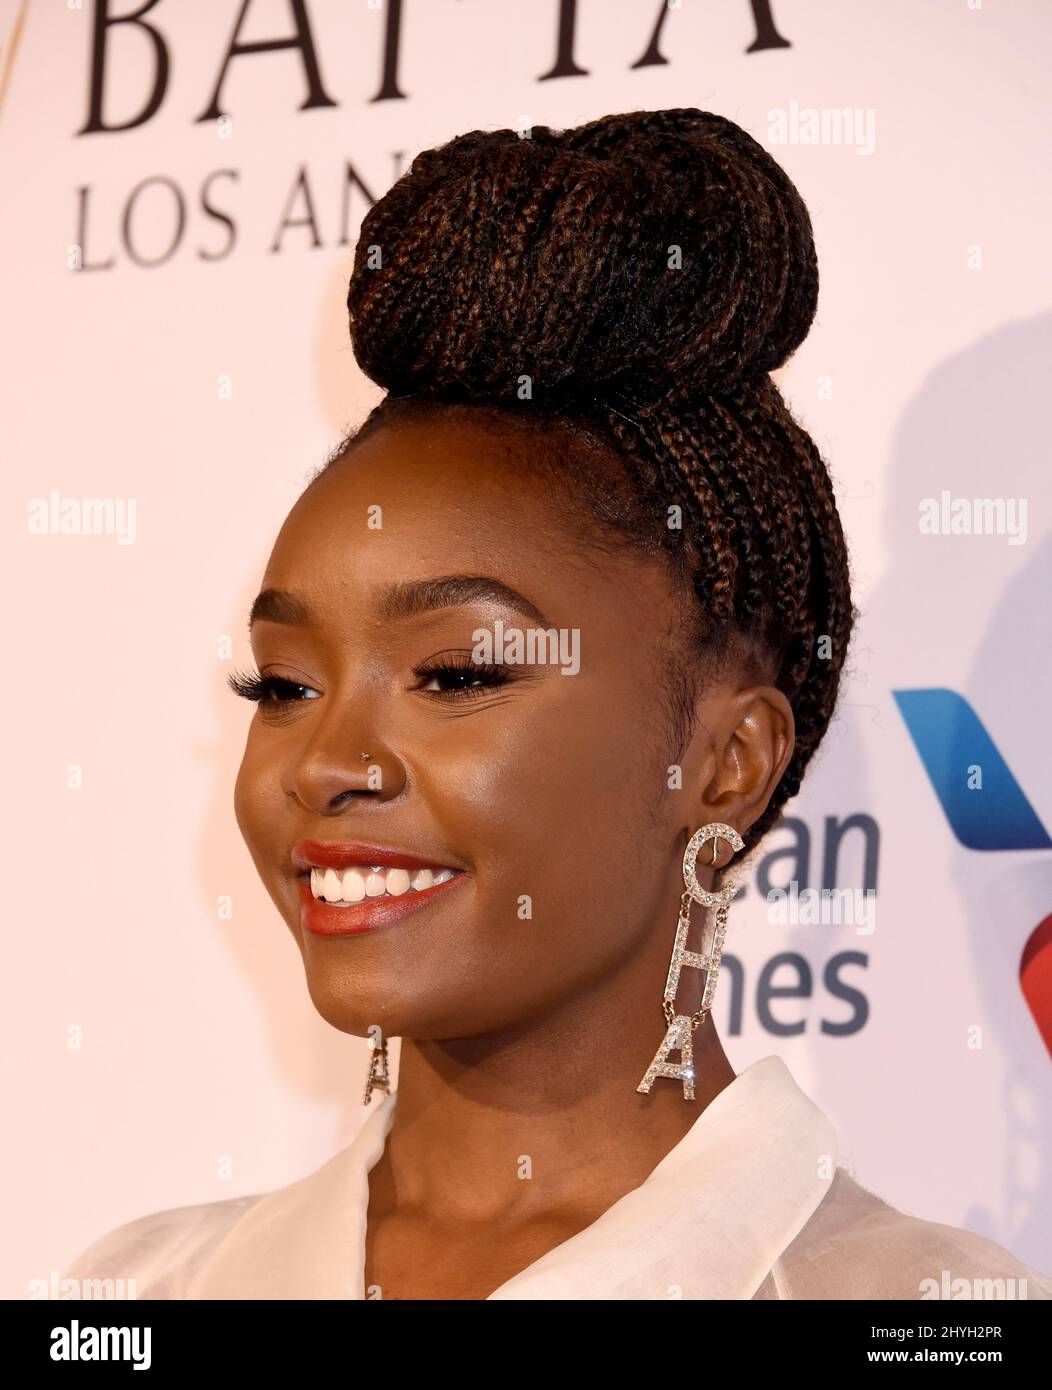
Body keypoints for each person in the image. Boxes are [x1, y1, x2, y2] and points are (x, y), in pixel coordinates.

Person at [61, 108, 1051, 1300]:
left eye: (456, 674)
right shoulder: (133, 1293)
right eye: (282, 684)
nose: (324, 761)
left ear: (727, 761)